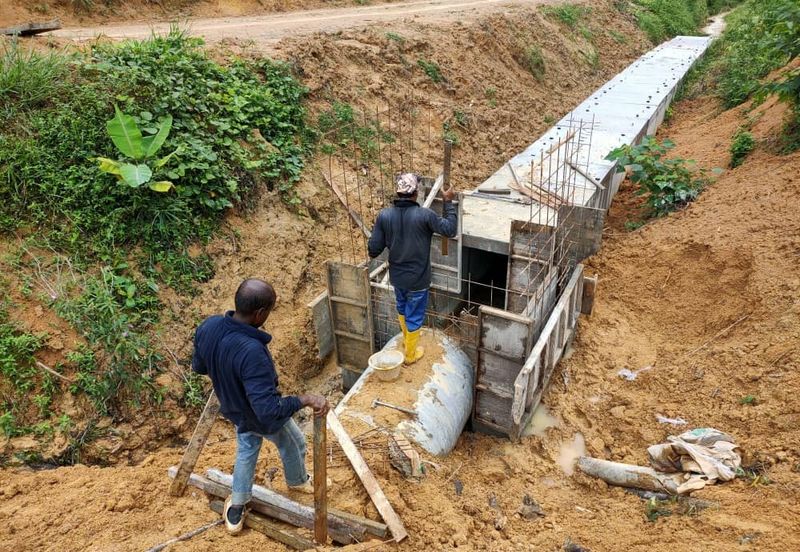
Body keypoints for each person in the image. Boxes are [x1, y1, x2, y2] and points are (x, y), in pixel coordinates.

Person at [192, 278, 329, 535]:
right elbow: (268, 410)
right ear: (260, 313)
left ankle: (237, 505)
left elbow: (199, 366)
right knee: (294, 442)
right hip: (259, 416)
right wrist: (306, 399)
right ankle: (298, 481)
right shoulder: (252, 352)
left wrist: (227, 374)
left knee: (247, 448)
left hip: (234, 408)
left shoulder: (208, 326)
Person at [367, 173, 458, 364]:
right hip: (418, 280)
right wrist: (448, 202)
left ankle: (406, 343)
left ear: (398, 192)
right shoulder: (424, 216)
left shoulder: (385, 216)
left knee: (402, 307)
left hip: (397, 278)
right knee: (415, 315)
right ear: (416, 193)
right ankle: (409, 355)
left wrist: (386, 232)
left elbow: (373, 250)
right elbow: (450, 230)